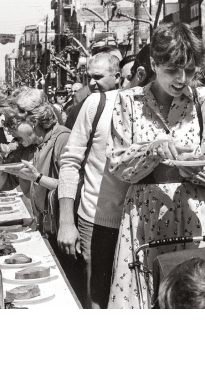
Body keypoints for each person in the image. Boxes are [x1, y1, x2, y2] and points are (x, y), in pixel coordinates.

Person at [107, 22, 205, 309]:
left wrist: (192, 169)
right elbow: (119, 168)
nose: (182, 79)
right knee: (141, 296)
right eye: (173, 70)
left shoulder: (203, 100)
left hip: (194, 217)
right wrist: (151, 151)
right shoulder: (128, 101)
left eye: (190, 70)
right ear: (153, 63)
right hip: (143, 220)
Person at [57, 48, 155, 308]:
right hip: (98, 222)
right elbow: (70, 161)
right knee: (98, 299)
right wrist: (66, 221)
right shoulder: (98, 103)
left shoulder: (169, 108)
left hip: (144, 224)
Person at [0, 87, 70, 232]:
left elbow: (73, 187)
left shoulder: (63, 139)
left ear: (34, 120)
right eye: (5, 125)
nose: (8, 131)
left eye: (12, 125)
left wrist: (37, 178)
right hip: (43, 227)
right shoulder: (27, 146)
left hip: (62, 230)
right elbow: (1, 186)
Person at [65, 52, 121, 130]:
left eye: (97, 77)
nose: (91, 83)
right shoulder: (79, 110)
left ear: (116, 78)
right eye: (89, 77)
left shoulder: (129, 105)